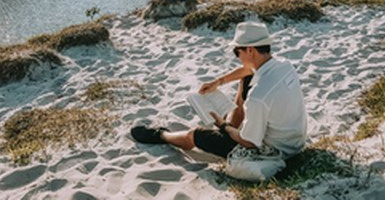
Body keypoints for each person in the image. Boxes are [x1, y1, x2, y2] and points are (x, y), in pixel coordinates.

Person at [131, 21, 307, 159]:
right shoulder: (285, 67)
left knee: (197, 135)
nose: (237, 57)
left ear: (250, 50)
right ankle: (232, 126)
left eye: (237, 52)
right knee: (246, 78)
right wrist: (219, 82)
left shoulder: (258, 97)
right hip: (294, 141)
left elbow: (249, 143)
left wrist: (222, 126)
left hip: (273, 151)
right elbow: (248, 71)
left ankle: (161, 135)